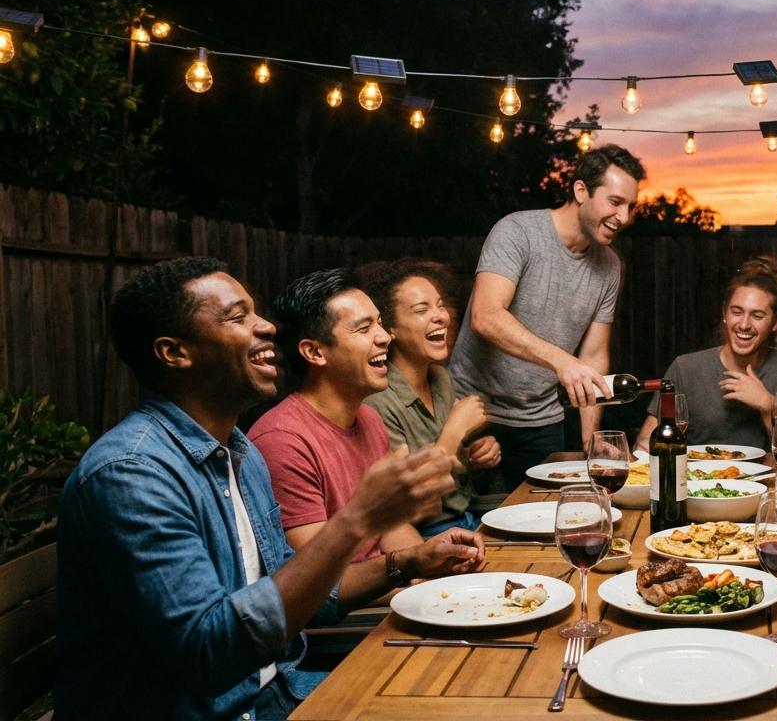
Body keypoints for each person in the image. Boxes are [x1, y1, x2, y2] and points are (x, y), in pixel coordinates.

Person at [56, 257, 483, 718]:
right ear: (174, 352)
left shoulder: (239, 453)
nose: (267, 327)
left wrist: (409, 562)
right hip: (210, 710)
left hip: (275, 689)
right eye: (238, 317)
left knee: (466, 694)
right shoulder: (132, 475)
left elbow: (306, 594)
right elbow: (208, 652)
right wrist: (358, 520)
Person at [250, 268, 484, 562]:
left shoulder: (369, 419)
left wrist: (428, 561)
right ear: (315, 352)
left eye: (380, 324)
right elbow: (318, 577)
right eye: (364, 329)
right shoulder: (283, 442)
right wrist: (404, 574)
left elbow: (391, 529)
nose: (384, 337)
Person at [449, 144, 646, 488]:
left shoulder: (611, 265)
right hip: (473, 412)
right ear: (581, 191)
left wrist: (590, 441)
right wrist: (561, 361)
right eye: (615, 202)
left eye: (631, 206)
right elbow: (485, 315)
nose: (624, 216)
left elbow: (593, 356)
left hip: (541, 420)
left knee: (548, 511)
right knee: (474, 517)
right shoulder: (517, 231)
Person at [358, 259, 502, 535]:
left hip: (467, 516)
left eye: (440, 305)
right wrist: (456, 428)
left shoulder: (441, 378)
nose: (441, 316)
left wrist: (472, 458)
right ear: (390, 329)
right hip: (426, 535)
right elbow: (408, 506)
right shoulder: (377, 399)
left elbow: (452, 475)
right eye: (422, 310)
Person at [633, 256, 777, 452]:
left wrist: (768, 404)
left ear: (776, 322)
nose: (744, 324)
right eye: (736, 312)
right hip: (698, 471)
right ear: (724, 313)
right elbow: (644, 445)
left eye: (757, 315)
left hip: (767, 473)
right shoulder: (686, 369)